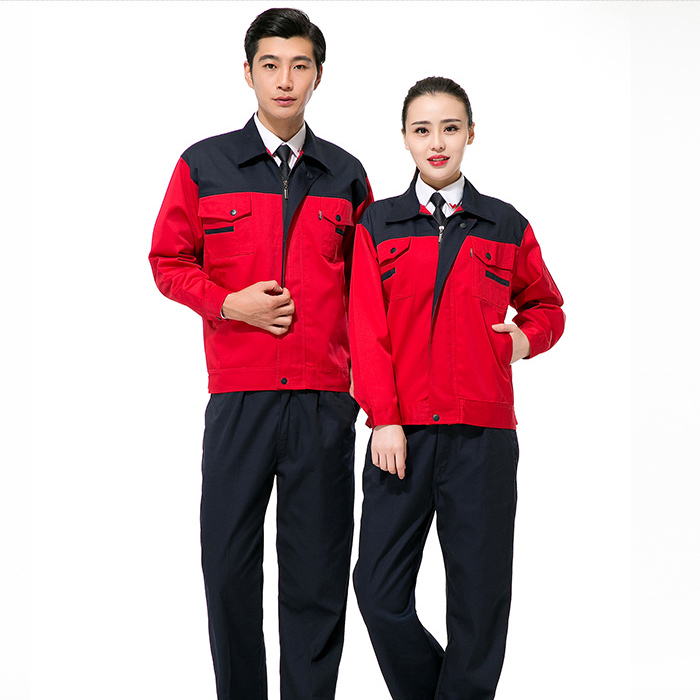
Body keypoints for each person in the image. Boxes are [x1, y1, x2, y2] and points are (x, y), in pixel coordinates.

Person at [149, 8, 372, 699]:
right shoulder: (205, 164)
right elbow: (167, 261)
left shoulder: (346, 175)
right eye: (270, 65)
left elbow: (369, 297)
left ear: (318, 76)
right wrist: (226, 303)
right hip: (239, 398)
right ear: (247, 73)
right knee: (227, 569)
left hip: (323, 403)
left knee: (317, 578)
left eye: (299, 65)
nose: (284, 80)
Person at [349, 76, 565, 700]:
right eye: (423, 130)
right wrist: (384, 418)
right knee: (378, 592)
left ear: (471, 133)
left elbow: (548, 308)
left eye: (450, 128)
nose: (437, 143)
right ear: (404, 138)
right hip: (402, 437)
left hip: (483, 438)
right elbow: (365, 330)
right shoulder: (378, 224)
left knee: (479, 600)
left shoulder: (505, 224)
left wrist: (522, 341)